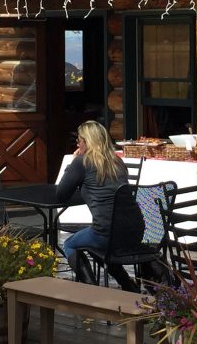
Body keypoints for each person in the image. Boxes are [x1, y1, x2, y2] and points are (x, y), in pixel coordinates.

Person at [56, 120, 139, 292]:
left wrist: (73, 163)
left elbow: (61, 194)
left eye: (79, 140)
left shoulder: (82, 162)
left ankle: (92, 290)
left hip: (107, 233)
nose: (77, 144)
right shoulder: (117, 161)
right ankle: (128, 285)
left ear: (86, 141)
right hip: (135, 230)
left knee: (70, 244)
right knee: (96, 244)